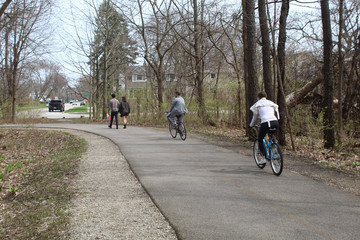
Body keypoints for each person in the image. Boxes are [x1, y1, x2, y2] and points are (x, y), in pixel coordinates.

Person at [249, 92, 280, 164]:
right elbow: (276, 112)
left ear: (258, 97)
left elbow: (254, 117)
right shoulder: (271, 103)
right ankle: (275, 143)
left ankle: (263, 158)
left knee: (260, 139)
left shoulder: (258, 104)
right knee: (271, 133)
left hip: (265, 123)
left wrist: (251, 125)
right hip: (275, 122)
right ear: (266, 96)